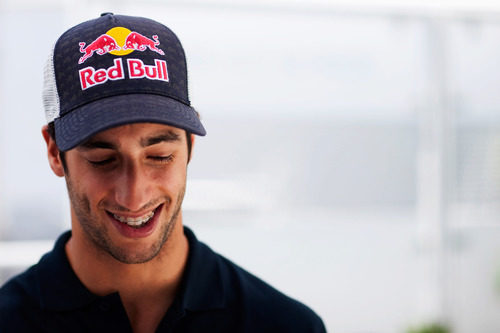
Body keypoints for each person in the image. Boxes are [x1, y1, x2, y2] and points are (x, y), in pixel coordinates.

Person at [0, 13, 326, 333]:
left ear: (190, 146)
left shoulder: (284, 325)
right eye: (103, 159)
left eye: (159, 156)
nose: (134, 194)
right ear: (55, 153)